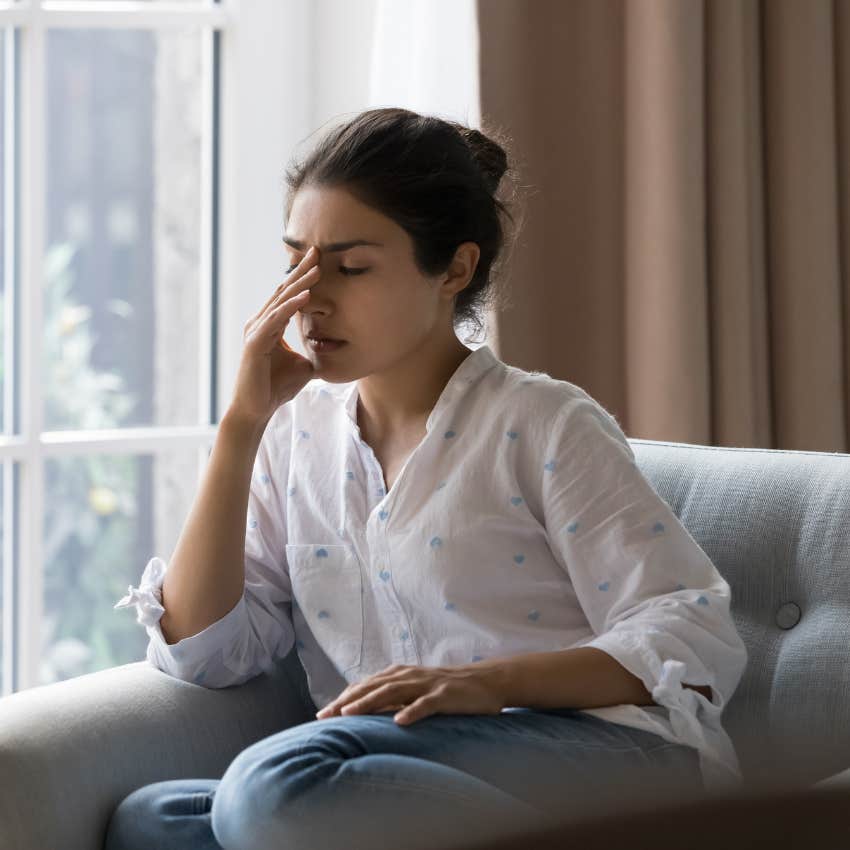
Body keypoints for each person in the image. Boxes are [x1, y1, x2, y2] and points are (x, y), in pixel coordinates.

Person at [108, 106, 747, 850]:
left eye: (349, 268)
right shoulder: (294, 436)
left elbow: (692, 634)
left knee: (273, 787)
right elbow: (204, 652)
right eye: (296, 264)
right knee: (153, 820)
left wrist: (490, 686)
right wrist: (240, 428)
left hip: (601, 755)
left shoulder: (542, 423)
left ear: (455, 268)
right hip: (399, 765)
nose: (311, 299)